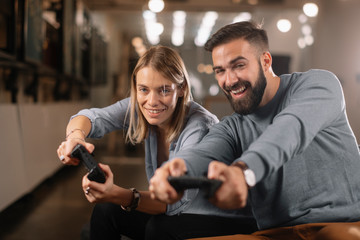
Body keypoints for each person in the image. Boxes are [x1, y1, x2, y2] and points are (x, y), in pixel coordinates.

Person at [149, 21, 360, 240]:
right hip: (275, 234)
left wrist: (243, 172)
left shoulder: (318, 85)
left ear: (265, 61)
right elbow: (203, 153)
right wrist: (174, 170)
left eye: (239, 65)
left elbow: (288, 130)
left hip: (342, 225)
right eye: (220, 71)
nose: (229, 81)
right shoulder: (233, 127)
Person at [56, 45, 257, 240]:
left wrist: (116, 194)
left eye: (163, 90)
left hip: (221, 217)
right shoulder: (143, 106)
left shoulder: (199, 126)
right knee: (106, 211)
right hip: (182, 213)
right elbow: (93, 117)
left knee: (158, 228)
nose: (152, 101)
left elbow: (176, 202)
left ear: (181, 89)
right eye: (144, 89)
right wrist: (75, 137)